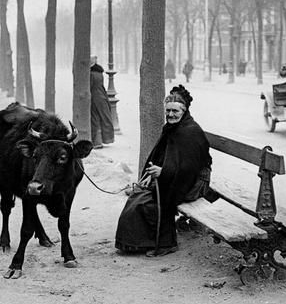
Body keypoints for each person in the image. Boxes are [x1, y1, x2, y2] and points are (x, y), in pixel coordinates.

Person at [115, 85, 212, 257]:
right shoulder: (172, 128)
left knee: (151, 203)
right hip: (178, 177)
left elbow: (190, 168)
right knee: (137, 199)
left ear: (184, 111)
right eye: (168, 111)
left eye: (175, 111)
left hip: (194, 182)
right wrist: (149, 176)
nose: (170, 115)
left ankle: (166, 243)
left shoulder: (190, 132)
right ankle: (144, 242)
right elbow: (161, 155)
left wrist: (164, 172)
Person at [90, 55, 115, 148]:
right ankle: (106, 139)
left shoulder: (91, 74)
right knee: (104, 119)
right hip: (102, 97)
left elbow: (90, 87)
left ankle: (96, 142)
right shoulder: (99, 73)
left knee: (94, 119)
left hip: (94, 98)